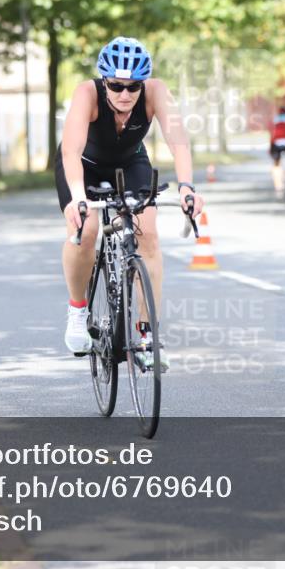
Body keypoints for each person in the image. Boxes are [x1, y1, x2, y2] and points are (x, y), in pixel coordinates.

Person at [56, 36, 204, 367]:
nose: (125, 94)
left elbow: (178, 142)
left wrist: (187, 187)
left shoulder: (156, 92)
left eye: (133, 87)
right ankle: (78, 312)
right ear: (105, 81)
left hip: (130, 162)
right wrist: (78, 198)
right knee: (87, 228)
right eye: (117, 85)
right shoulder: (87, 93)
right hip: (85, 166)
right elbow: (71, 151)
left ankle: (148, 334)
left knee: (147, 234)